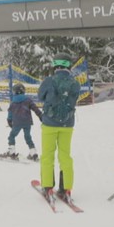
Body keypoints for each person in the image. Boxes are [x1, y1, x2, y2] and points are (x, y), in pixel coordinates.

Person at [37, 53, 81, 200]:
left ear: (55, 65)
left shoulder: (49, 81)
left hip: (49, 123)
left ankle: (48, 187)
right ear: (69, 65)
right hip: (67, 124)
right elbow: (74, 99)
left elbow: (40, 96)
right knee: (65, 156)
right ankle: (66, 188)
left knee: (47, 156)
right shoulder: (75, 83)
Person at [2, 83, 42, 161]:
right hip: (27, 122)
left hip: (17, 123)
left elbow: (10, 113)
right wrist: (40, 115)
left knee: (12, 136)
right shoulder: (28, 100)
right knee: (28, 137)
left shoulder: (13, 102)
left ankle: (11, 152)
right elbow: (35, 108)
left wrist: (9, 121)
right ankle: (33, 153)